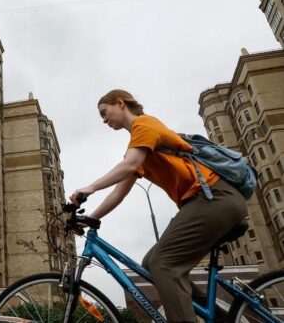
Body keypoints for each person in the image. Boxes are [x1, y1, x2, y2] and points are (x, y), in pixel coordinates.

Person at [69, 89, 247, 323]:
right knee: (150, 265)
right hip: (207, 202)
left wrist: (89, 188)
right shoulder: (139, 145)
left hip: (215, 197)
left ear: (120, 103)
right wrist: (89, 217)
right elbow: (119, 193)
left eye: (105, 112)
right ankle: (223, 319)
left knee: (163, 264)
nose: (104, 119)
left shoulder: (145, 125)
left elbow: (129, 165)